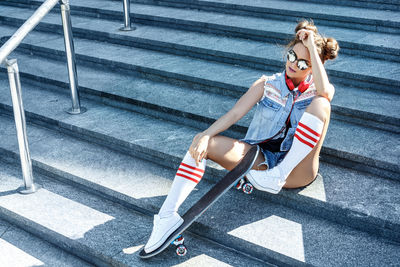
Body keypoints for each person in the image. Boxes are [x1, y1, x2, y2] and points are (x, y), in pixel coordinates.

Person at [143, 19, 339, 253]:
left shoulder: (319, 91)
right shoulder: (268, 84)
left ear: (314, 66)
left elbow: (326, 92)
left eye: (303, 62)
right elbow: (235, 113)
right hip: (261, 160)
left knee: (322, 104)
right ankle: (166, 216)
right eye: (291, 56)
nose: (294, 64)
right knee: (205, 144)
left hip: (297, 171)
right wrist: (205, 134)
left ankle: (279, 174)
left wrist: (313, 51)